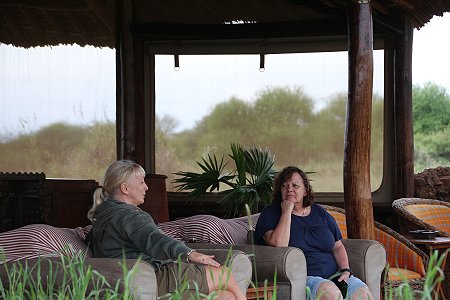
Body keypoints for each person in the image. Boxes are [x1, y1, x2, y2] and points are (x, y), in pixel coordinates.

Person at [87, 160, 247, 300]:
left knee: (226, 296)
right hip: (157, 277)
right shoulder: (131, 216)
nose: (146, 187)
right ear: (125, 188)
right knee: (225, 274)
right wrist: (190, 254)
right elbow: (155, 240)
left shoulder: (102, 216)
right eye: (141, 182)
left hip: (132, 278)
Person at [254, 166, 373, 300]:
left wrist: (345, 270)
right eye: (284, 186)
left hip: (334, 275)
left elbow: (337, 246)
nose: (289, 189)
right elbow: (279, 244)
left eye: (295, 185)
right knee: (330, 293)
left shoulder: (320, 212)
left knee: (364, 294)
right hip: (303, 279)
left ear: (305, 191)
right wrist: (287, 211)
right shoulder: (270, 213)